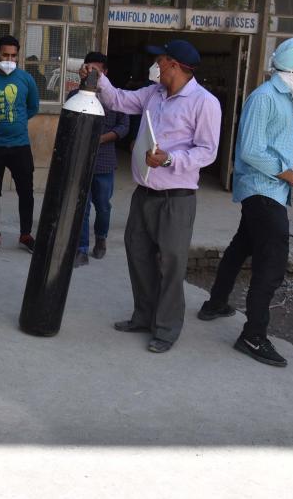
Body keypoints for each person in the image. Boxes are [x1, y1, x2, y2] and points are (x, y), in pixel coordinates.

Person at [80, 39, 221, 353]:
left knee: (171, 263)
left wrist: (170, 160)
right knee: (138, 255)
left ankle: (167, 329)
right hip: (145, 192)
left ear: (172, 64)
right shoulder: (153, 94)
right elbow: (118, 100)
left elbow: (208, 151)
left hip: (177, 197)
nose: (155, 66)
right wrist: (97, 77)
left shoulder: (204, 102)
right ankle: (144, 316)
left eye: (159, 60)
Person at [198, 37, 293, 367]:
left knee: (242, 246)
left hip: (271, 189)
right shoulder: (265, 98)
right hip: (262, 191)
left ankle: (216, 304)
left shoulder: (288, 97)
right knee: (271, 265)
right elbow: (252, 151)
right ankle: (253, 336)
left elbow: (278, 144)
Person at [66, 52, 129, 268]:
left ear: (105, 73)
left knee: (103, 206)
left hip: (104, 162)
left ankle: (101, 238)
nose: (91, 73)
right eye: (88, 69)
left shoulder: (115, 99)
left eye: (96, 70)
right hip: (81, 162)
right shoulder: (74, 96)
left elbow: (123, 127)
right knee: (82, 207)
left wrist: (100, 139)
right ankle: (81, 249)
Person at [0, 35, 40, 254]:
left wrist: (17, 122)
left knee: (26, 192)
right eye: (5, 55)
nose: (9, 59)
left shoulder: (26, 79)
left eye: (13, 55)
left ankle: (26, 235)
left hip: (20, 146)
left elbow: (33, 107)